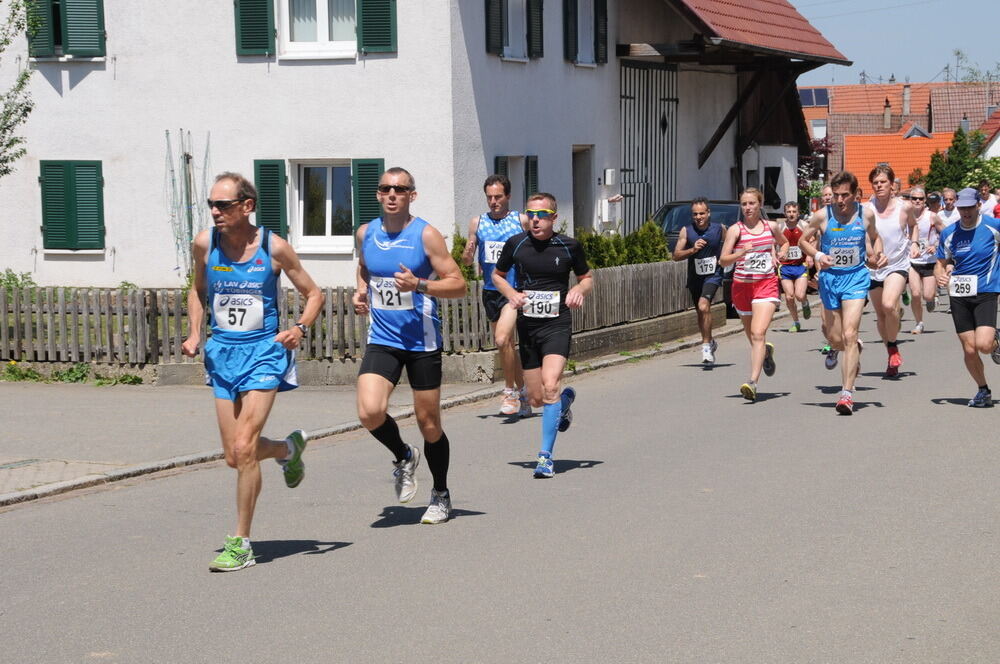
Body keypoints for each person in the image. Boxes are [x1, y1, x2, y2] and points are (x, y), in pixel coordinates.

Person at [182, 172, 324, 572]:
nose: (215, 211)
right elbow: (196, 289)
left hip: (264, 353)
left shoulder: (274, 247)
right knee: (233, 456)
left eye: (223, 205)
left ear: (247, 206)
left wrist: (299, 328)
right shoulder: (204, 244)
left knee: (244, 447)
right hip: (222, 355)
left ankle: (241, 543)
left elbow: (314, 294)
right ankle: (286, 449)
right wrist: (195, 332)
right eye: (211, 204)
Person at [352, 167, 467, 524]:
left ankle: (441, 494)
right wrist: (360, 290)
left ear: (411, 195)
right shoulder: (365, 233)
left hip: (421, 341)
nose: (391, 194)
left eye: (399, 189)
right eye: (385, 188)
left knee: (429, 423)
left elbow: (459, 284)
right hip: (383, 339)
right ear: (378, 194)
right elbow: (364, 267)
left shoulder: (426, 235)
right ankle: (403, 455)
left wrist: (419, 285)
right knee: (370, 412)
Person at [492, 192, 593, 478]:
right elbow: (498, 275)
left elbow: (587, 279)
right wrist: (511, 293)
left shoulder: (569, 245)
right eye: (531, 215)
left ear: (554, 218)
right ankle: (563, 404)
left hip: (557, 324)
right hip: (528, 326)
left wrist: (578, 290)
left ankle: (545, 457)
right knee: (536, 399)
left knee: (551, 385)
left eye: (542, 215)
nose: (535, 220)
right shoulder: (516, 244)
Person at [800, 170, 885, 414]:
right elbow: (802, 241)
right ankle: (852, 349)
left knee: (849, 333)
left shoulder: (865, 214)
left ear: (855, 194)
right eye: (836, 195)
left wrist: (878, 255)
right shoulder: (822, 216)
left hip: (856, 279)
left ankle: (846, 394)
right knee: (835, 338)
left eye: (845, 195)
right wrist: (817, 255)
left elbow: (876, 238)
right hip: (829, 281)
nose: (839, 200)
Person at [462, 174, 531, 417]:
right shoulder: (477, 222)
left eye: (498, 197)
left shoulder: (520, 220)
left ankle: (509, 392)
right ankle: (524, 394)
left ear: (508, 196)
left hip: (514, 292)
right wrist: (468, 253)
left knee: (502, 340)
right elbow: (468, 258)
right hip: (491, 292)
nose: (493, 201)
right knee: (507, 345)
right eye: (489, 197)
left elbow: (535, 249)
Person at [720, 187, 788, 401]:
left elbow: (784, 242)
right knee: (752, 336)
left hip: (765, 284)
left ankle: (752, 382)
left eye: (752, 203)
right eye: (744, 204)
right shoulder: (735, 230)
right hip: (741, 287)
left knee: (758, 333)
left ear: (760, 205)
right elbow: (723, 260)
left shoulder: (771, 227)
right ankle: (766, 353)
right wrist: (740, 252)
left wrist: (782, 254)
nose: (748, 208)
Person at [935, 187, 1000, 407]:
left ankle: (995, 338)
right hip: (959, 293)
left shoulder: (993, 226)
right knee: (969, 348)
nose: (966, 212)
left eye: (970, 207)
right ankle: (983, 390)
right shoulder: (949, 233)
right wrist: (941, 276)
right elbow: (941, 263)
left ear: (978, 205)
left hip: (986, 290)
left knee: (983, 344)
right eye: (962, 208)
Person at [866, 164, 920, 378]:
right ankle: (891, 351)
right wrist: (870, 255)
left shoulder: (904, 207)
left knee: (889, 305)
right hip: (873, 267)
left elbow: (914, 226)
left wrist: (915, 243)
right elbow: (863, 235)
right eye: (876, 183)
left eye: (883, 182)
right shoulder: (866, 208)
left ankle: (893, 344)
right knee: (881, 314)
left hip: (897, 264)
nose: (879, 186)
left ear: (892, 185)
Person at [671, 197, 724, 363]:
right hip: (695, 277)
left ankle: (706, 346)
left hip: (713, 275)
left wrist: (728, 261)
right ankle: (710, 341)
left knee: (704, 305)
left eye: (702, 213)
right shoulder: (686, 231)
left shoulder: (719, 228)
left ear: (708, 213)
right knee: (701, 313)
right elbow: (675, 256)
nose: (699, 217)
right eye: (695, 214)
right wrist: (692, 249)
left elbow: (732, 244)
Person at [906, 186, 944, 332]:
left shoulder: (931, 216)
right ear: (910, 200)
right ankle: (919, 323)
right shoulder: (904, 215)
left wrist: (935, 245)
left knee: (927, 295)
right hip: (912, 261)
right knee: (915, 293)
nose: (917, 201)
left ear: (924, 200)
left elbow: (946, 233)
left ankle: (931, 298)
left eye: (920, 199)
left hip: (929, 261)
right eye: (914, 198)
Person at [778, 201, 813, 332]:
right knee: (789, 296)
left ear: (798, 213)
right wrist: (776, 254)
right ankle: (796, 322)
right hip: (785, 266)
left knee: (799, 294)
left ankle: (804, 302)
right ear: (785, 213)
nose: (791, 214)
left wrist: (809, 255)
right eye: (789, 212)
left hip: (800, 265)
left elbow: (812, 240)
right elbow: (773, 242)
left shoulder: (803, 225)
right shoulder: (780, 227)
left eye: (794, 212)